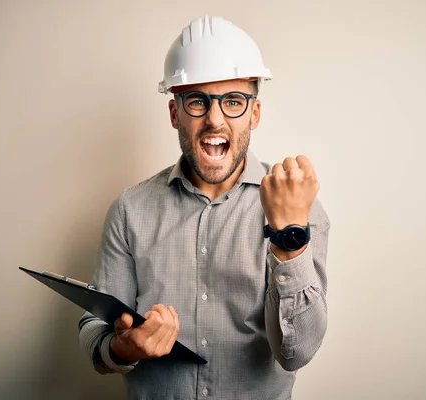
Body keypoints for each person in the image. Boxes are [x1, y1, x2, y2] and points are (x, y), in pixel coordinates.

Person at [78, 15, 331, 400]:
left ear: (255, 113)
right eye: (197, 101)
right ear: (174, 113)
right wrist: (123, 347)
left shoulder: (298, 209)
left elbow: (297, 353)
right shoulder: (130, 210)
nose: (215, 119)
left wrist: (288, 235)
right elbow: (95, 327)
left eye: (233, 101)